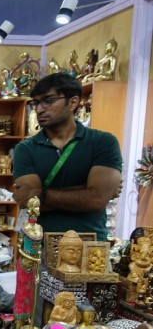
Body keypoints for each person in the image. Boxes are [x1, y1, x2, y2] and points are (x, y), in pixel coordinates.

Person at [12, 73, 122, 241]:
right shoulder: (25, 148)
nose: (39, 109)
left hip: (89, 246)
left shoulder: (102, 142)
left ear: (73, 102)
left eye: (48, 101)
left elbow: (97, 200)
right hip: (40, 245)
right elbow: (28, 201)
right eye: (36, 103)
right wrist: (86, 189)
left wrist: (42, 194)